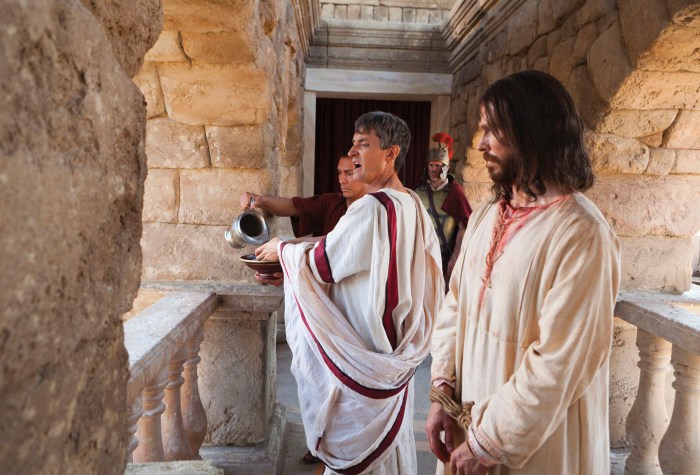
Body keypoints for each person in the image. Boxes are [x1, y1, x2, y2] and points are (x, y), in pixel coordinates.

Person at [426, 70, 621, 475]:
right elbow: (456, 303)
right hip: (469, 421)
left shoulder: (582, 234)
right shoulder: (485, 215)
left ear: (533, 132)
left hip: (536, 445)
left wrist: (489, 441)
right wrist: (443, 391)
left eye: (494, 131)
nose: (480, 144)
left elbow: (560, 361)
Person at [255, 111, 444, 474]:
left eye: (364, 144)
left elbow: (325, 264)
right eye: (352, 143)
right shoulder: (414, 207)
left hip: (365, 353)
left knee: (357, 457)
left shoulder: (373, 207)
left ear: (391, 154)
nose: (353, 151)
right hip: (393, 353)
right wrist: (297, 268)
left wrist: (282, 250)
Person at [414, 132, 472, 282]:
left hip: (444, 256)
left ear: (446, 168)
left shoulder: (454, 193)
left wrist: (455, 257)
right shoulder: (418, 193)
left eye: (438, 165)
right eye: (431, 165)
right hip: (421, 254)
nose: (434, 169)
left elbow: (464, 226)